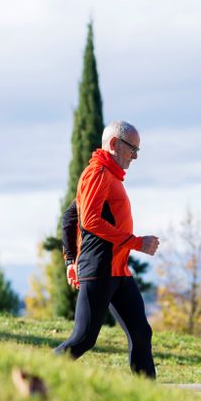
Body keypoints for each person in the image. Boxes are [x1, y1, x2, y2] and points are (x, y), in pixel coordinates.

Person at [54, 120, 159, 379]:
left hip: (119, 272)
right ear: (114, 144)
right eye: (132, 149)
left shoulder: (108, 175)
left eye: (137, 151)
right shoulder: (97, 174)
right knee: (83, 339)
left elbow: (70, 217)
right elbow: (88, 220)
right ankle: (33, 376)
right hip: (100, 270)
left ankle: (148, 398)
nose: (135, 156)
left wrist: (69, 260)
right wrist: (137, 242)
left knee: (141, 332)